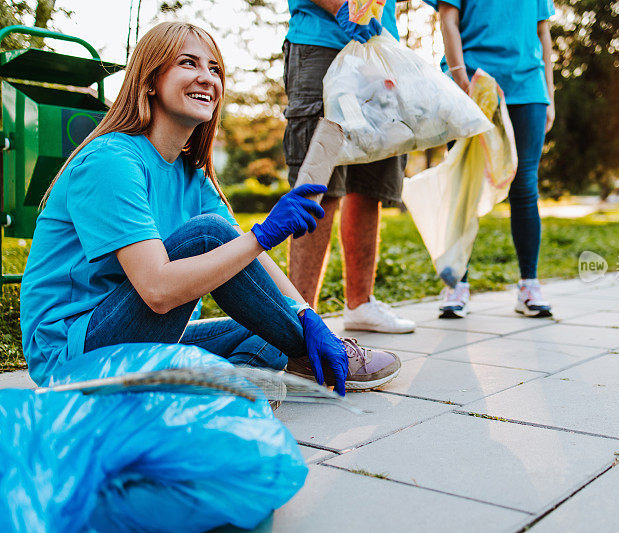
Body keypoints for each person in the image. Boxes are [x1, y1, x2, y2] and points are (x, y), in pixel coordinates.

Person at [19, 22, 401, 395]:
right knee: (209, 235)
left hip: (144, 338)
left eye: (214, 69)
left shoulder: (191, 176)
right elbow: (157, 289)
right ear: (150, 81)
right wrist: (261, 236)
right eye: (188, 63)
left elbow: (251, 262)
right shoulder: (112, 161)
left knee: (266, 327)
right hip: (74, 358)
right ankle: (297, 365)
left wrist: (305, 314)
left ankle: (229, 386)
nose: (207, 78)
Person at [283, 0, 416, 334]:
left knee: (371, 181)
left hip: (378, 50)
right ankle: (299, 317)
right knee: (319, 181)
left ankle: (361, 303)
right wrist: (340, 5)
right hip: (320, 44)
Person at [424, 0, 556, 319]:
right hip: (470, 82)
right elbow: (448, 18)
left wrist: (549, 94)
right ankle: (456, 285)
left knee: (524, 184)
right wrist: (458, 76)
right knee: (462, 185)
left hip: (526, 89)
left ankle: (529, 285)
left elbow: (543, 32)